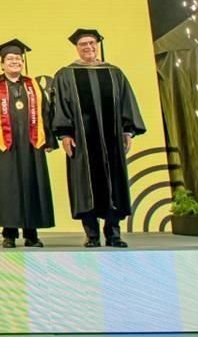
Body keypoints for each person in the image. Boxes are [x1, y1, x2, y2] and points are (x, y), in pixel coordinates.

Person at [52, 28, 146, 247]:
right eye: (83, 44)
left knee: (115, 183)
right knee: (85, 184)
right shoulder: (66, 74)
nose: (88, 48)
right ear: (77, 47)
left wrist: (127, 130)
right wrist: (64, 133)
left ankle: (114, 233)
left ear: (98, 45)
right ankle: (92, 234)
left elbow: (126, 102)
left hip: (112, 141)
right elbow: (60, 106)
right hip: (82, 142)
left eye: (92, 43)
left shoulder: (114, 73)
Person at [0, 39, 56, 247]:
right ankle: (8, 234)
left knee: (31, 186)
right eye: (10, 59)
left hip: (31, 145)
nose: (14, 62)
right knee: (6, 187)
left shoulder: (32, 85)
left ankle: (31, 234)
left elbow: (46, 112)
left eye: (18, 59)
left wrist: (49, 138)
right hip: (3, 146)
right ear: (2, 64)